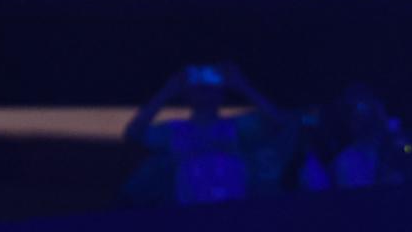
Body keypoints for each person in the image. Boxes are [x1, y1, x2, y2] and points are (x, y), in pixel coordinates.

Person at [122, 64, 289, 205]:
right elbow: (133, 134)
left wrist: (242, 85)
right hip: (192, 216)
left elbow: (279, 123)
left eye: (211, 88)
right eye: (198, 88)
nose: (205, 91)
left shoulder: (237, 126)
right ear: (187, 94)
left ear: (221, 92)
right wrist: (167, 91)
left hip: (235, 213)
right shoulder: (174, 130)